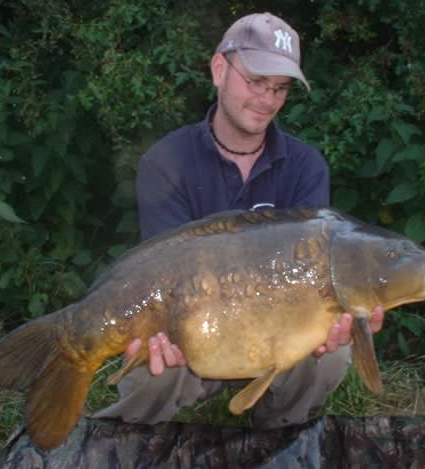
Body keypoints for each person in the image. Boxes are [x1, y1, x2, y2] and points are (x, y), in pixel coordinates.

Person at [95, 12, 384, 428]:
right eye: (255, 82)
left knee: (330, 353)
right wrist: (157, 335)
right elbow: (159, 278)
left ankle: (277, 438)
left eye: (279, 88)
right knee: (153, 366)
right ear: (219, 69)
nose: (267, 100)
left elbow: (319, 275)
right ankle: (127, 436)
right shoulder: (165, 162)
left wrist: (342, 317)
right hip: (195, 338)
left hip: (278, 333)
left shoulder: (306, 167)